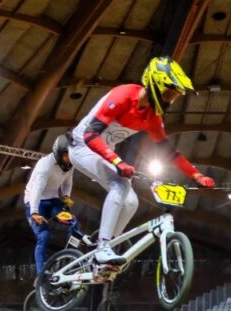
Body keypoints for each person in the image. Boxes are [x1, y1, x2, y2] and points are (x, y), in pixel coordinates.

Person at [70, 56, 215, 265]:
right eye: (170, 93)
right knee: (119, 186)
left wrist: (197, 175)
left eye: (175, 96)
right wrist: (118, 162)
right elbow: (90, 136)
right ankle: (103, 247)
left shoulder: (152, 116)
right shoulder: (123, 95)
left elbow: (170, 153)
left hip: (103, 151)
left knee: (131, 202)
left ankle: (100, 252)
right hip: (82, 146)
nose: (171, 100)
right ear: (156, 85)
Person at [24, 134, 83, 276]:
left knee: (74, 223)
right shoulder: (45, 166)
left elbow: (68, 182)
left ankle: (70, 256)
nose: (69, 160)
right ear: (58, 153)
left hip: (53, 200)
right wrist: (34, 212)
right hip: (34, 201)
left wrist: (67, 196)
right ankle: (41, 274)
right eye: (67, 156)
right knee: (43, 235)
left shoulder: (70, 165)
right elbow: (37, 190)